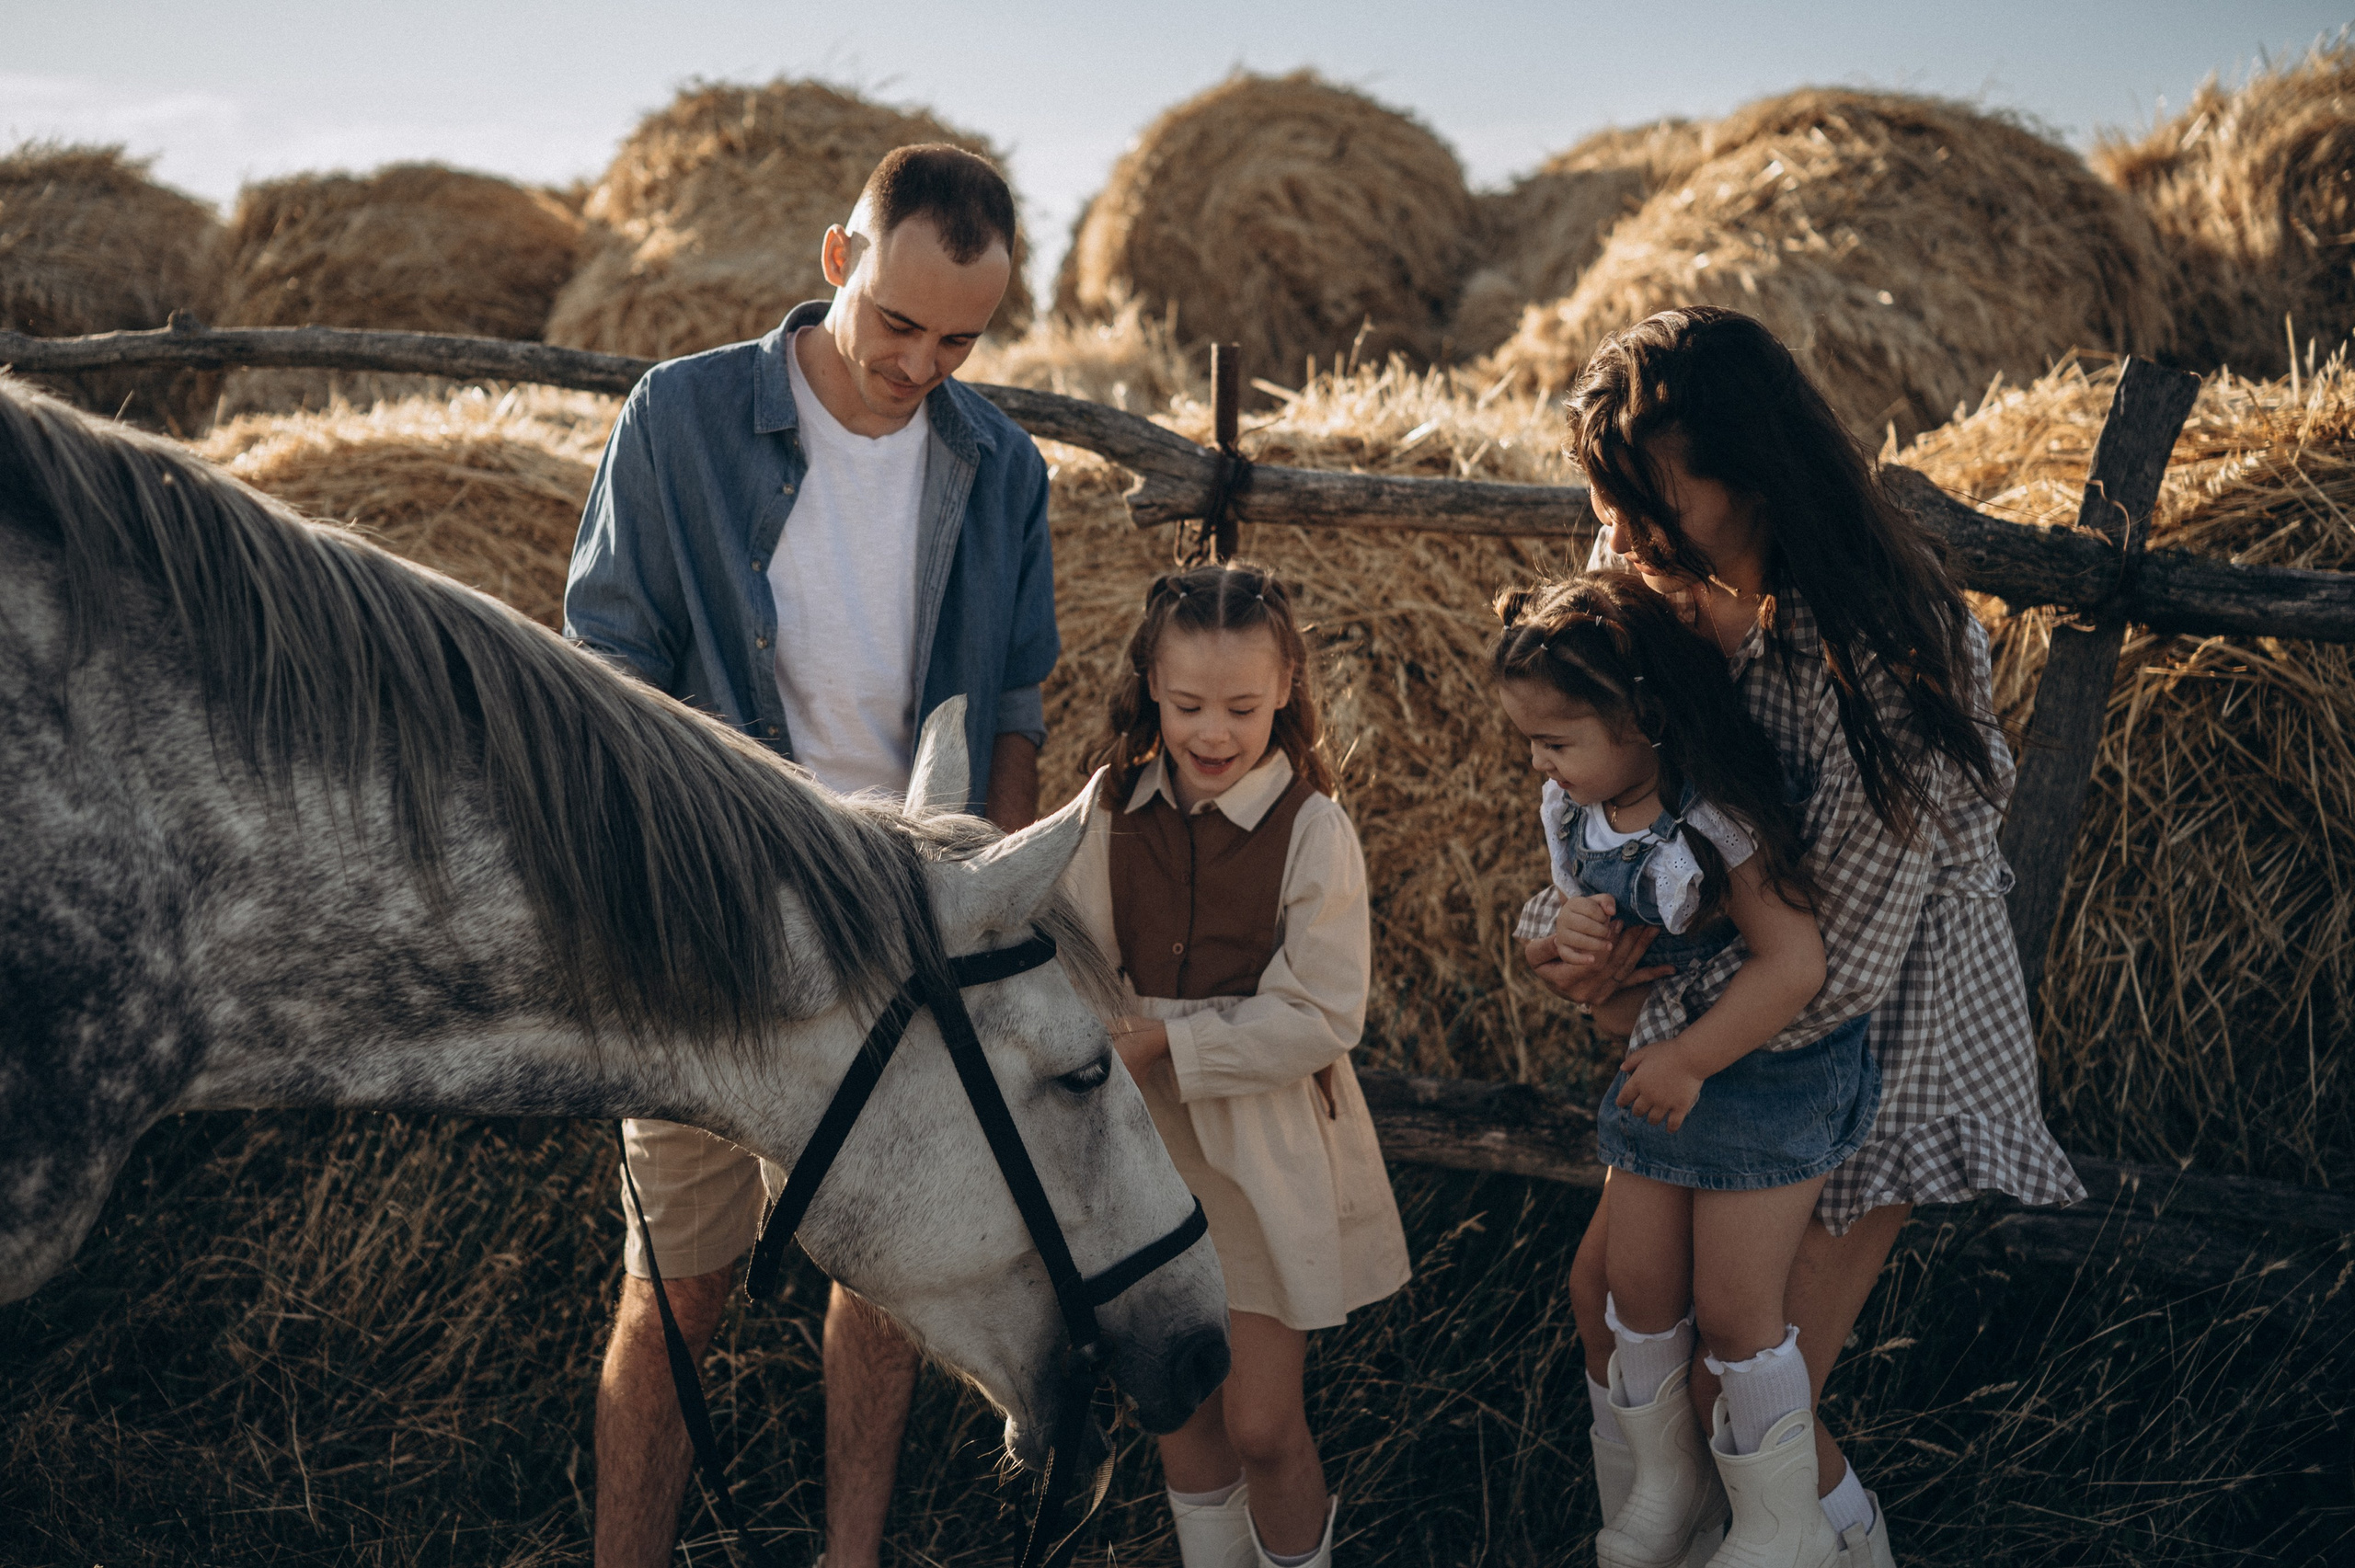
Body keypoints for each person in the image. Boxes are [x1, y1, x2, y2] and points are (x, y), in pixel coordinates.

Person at [1517, 306, 2085, 1568]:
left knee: (1745, 1370)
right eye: (1607, 500)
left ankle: (1833, 1550)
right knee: (1604, 1309)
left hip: (1863, 1032)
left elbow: (1850, 955)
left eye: (1644, 496)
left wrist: (1657, 1025)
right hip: (1723, 1014)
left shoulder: (1890, 646)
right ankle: (1663, 1540)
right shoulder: (1654, 594)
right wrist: (1578, 944)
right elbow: (1597, 808)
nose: (1618, 533)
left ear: (1754, 470)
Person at [562, 143, 1056, 1568]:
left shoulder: (1000, 465)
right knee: (677, 1287)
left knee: (889, 1282)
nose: (920, 364)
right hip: (708, 932)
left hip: (898, 932)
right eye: (899, 323)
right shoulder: (682, 418)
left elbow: (1014, 702)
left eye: (960, 337)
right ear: (839, 261)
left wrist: (982, 891)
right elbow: (609, 662)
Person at [1496, 571, 1871, 1568]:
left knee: (1740, 1314)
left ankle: (1784, 1524)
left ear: (1643, 717)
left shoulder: (1718, 815)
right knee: (1634, 1283)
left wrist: (1690, 1058)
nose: (1542, 763)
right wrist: (1574, 933)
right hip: (1661, 1058)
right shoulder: (1575, 810)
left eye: (1559, 741)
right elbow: (1607, 964)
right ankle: (1664, 1483)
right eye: (1531, 741)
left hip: (1758, 1073)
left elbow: (1797, 963)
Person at [1060, 563, 1410, 1568]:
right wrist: (1109, 1038)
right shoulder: (1106, 817)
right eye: (1188, 706)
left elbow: (1322, 1013)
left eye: (1242, 708)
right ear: (1151, 690)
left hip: (1261, 1160)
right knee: (1178, 1405)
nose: (1213, 733)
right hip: (1146, 1154)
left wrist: (1174, 1041)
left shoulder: (1313, 828)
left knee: (1261, 1422)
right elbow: (1076, 971)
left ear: (1289, 689)